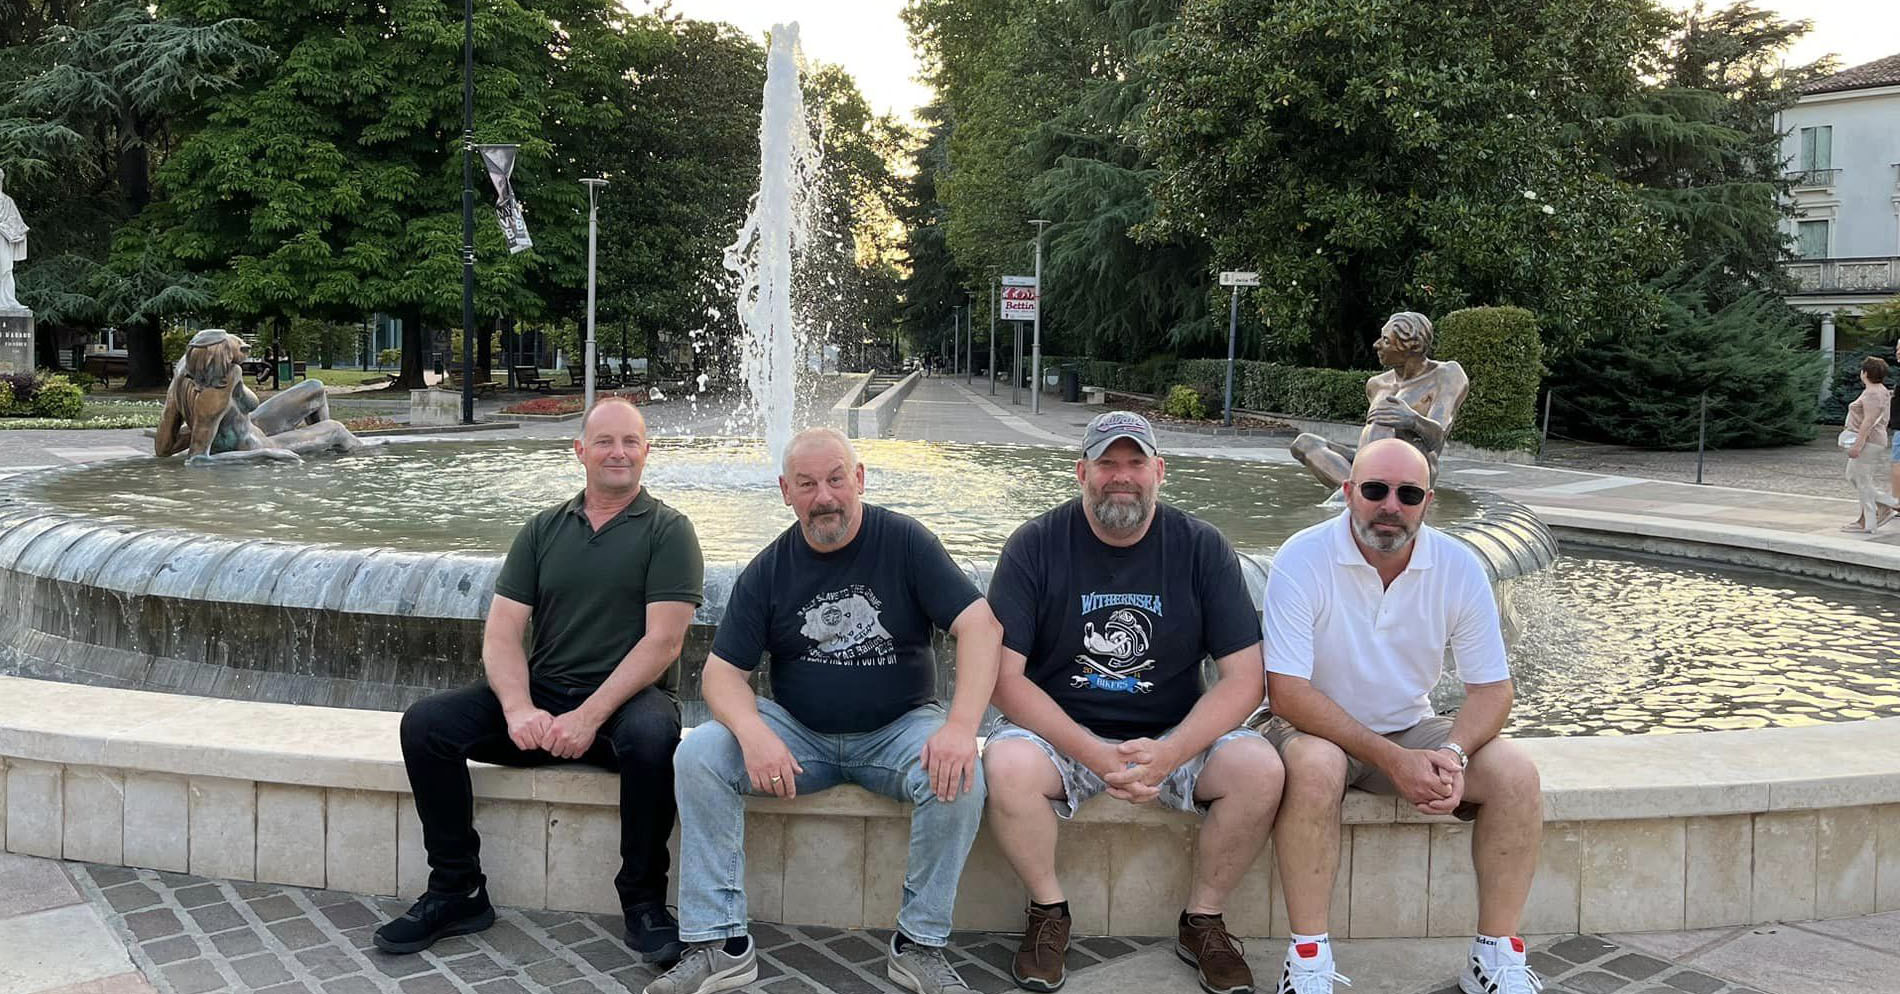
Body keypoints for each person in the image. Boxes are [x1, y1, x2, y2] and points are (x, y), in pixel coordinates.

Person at [648, 427, 1003, 994]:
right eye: (808, 484)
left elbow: (980, 625)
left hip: (899, 731)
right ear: (785, 491)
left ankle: (919, 946)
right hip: (798, 738)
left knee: (959, 773)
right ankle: (720, 945)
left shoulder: (906, 543)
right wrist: (753, 733)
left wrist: (962, 727)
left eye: (837, 479)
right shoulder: (769, 569)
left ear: (859, 479)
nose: (825, 497)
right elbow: (720, 674)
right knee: (700, 755)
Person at [377, 396, 703, 962]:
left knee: (654, 738)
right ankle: (458, 890)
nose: (618, 452)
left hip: (627, 704)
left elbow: (663, 644)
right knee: (427, 725)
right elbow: (502, 633)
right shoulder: (542, 529)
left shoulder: (669, 532)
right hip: (545, 700)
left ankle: (644, 903)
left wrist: (587, 717)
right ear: (580, 451)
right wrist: (519, 709)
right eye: (604, 441)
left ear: (647, 451)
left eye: (631, 441)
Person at [983, 411, 1283, 994]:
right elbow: (1005, 681)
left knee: (1260, 767)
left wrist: (1172, 751)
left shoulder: (1203, 548)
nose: (1121, 476)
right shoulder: (1034, 545)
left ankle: (1203, 921)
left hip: (1175, 735)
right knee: (1006, 763)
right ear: (1082, 473)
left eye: (1135, 462)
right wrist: (1094, 753)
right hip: (1062, 738)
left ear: (1159, 472)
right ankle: (1049, 912)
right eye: (1107, 463)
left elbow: (1245, 680)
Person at [1260, 438, 1543, 994]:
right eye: (1375, 489)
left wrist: (1451, 754)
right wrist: (1396, 760)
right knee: (1317, 765)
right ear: (1347, 493)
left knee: (1516, 774)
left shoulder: (1458, 566)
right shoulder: (1302, 556)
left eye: (1408, 493)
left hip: (1409, 725)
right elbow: (1287, 693)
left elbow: (1493, 690)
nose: (1390, 505)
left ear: (1427, 502)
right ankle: (1309, 961)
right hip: (1310, 728)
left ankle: (1495, 955)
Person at [1842, 355, 1892, 533]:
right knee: (1855, 477)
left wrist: (1857, 445)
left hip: (1869, 442)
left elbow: (1869, 421)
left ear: (1865, 373)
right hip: (1872, 441)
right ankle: (1876, 514)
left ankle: (1884, 508)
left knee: (1862, 480)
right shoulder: (1879, 390)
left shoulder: (1873, 393)